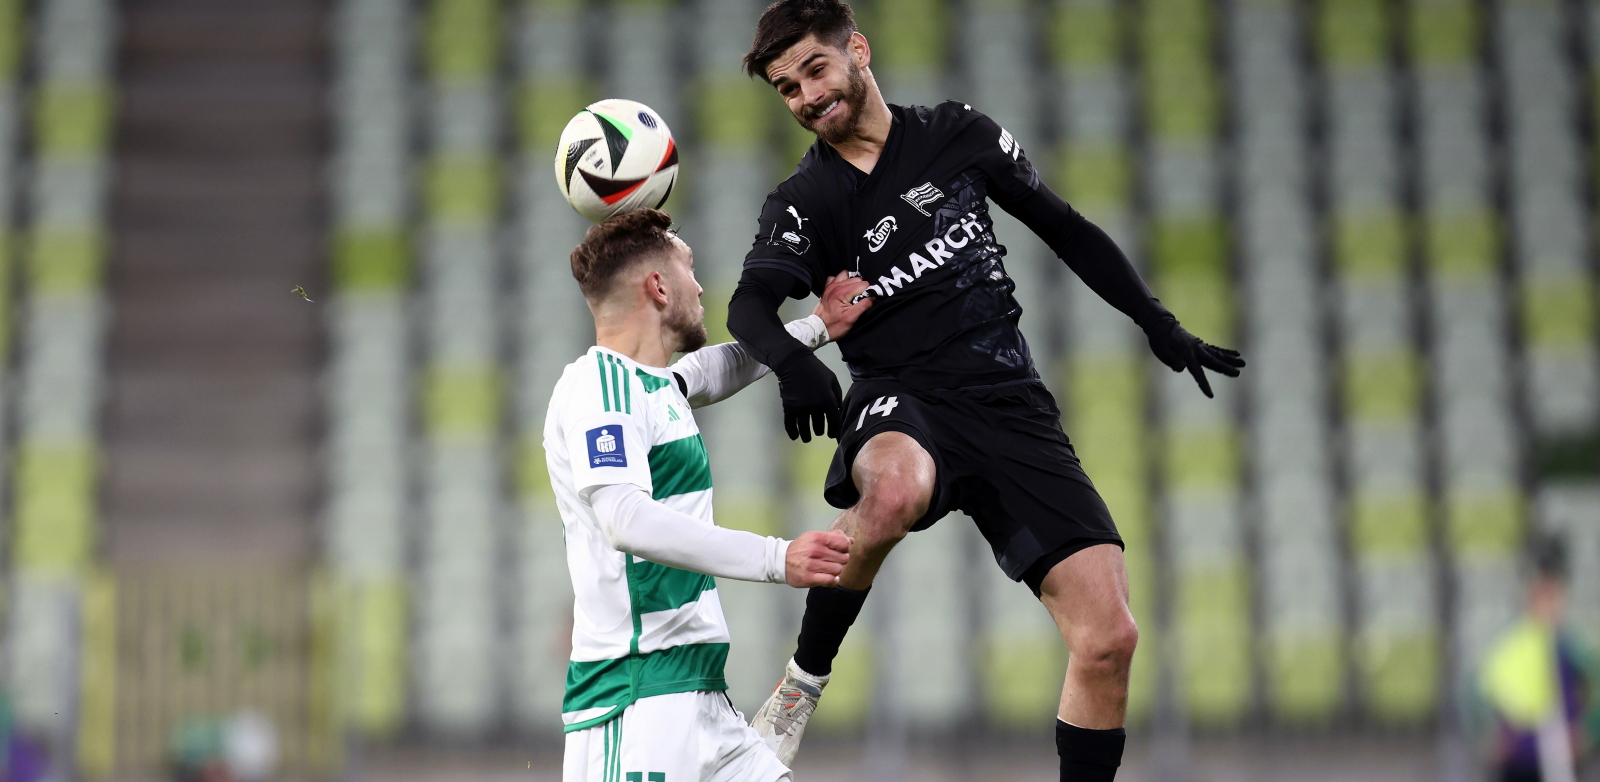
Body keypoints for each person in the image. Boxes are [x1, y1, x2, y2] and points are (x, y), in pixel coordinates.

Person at [726, 1, 1245, 779]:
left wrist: (1156, 323)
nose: (805, 96)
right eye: (785, 88)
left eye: (814, 70)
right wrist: (798, 364)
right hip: (899, 395)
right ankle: (803, 682)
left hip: (1008, 400)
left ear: (857, 51)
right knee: (896, 490)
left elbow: (1065, 227)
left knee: (1109, 641)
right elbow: (746, 307)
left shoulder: (958, 135)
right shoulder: (805, 200)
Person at [543, 208, 873, 782]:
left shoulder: (650, 386)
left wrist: (815, 326)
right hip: (637, 701)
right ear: (658, 287)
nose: (700, 287)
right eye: (689, 269)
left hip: (700, 696)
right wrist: (776, 557)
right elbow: (625, 518)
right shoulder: (598, 388)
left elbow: (714, 369)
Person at [1479, 535, 1596, 782]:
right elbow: (1480, 691)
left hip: (1562, 756)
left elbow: (1592, 692)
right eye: (1540, 594)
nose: (1546, 603)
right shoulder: (1509, 646)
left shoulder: (1574, 648)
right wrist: (1490, 736)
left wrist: (1587, 732)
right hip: (1519, 760)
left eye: (1552, 594)